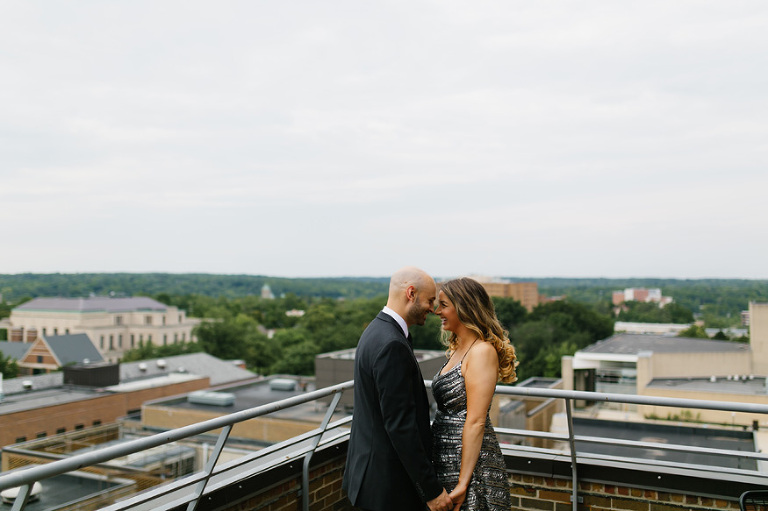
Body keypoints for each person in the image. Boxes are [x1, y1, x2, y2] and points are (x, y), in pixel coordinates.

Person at [343, 267, 454, 511]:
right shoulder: (392, 343)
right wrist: (432, 490)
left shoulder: (375, 331)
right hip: (388, 487)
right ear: (411, 293)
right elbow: (400, 426)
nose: (433, 309)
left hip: (371, 479)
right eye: (430, 300)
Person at [432, 277, 517, 511]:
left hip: (469, 462)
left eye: (443, 305)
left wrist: (463, 482)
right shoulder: (458, 349)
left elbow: (476, 421)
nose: (437, 311)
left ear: (464, 307)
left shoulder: (481, 352)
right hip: (444, 453)